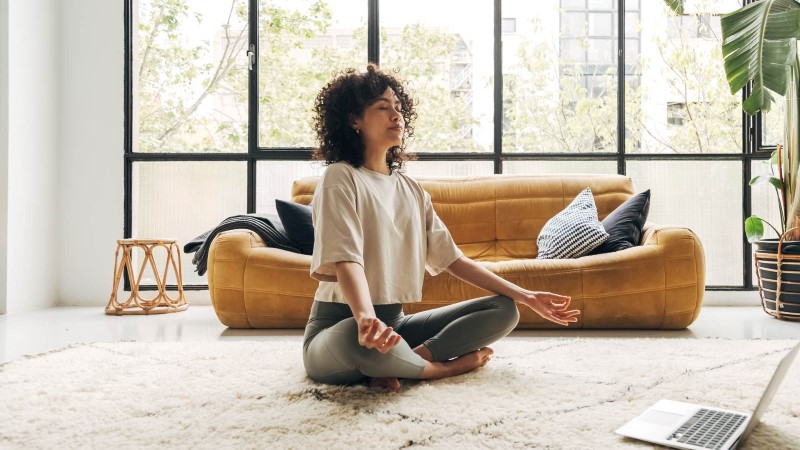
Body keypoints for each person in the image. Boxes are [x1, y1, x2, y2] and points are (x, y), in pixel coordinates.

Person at [303, 64, 579, 392]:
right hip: (339, 327)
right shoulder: (341, 177)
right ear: (354, 121)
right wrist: (364, 318)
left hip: (395, 325)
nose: (396, 115)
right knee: (355, 339)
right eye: (382, 107)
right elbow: (346, 259)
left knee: (504, 309)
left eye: (398, 108)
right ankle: (437, 370)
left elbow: (454, 260)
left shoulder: (412, 190)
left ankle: (409, 359)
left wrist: (526, 295)